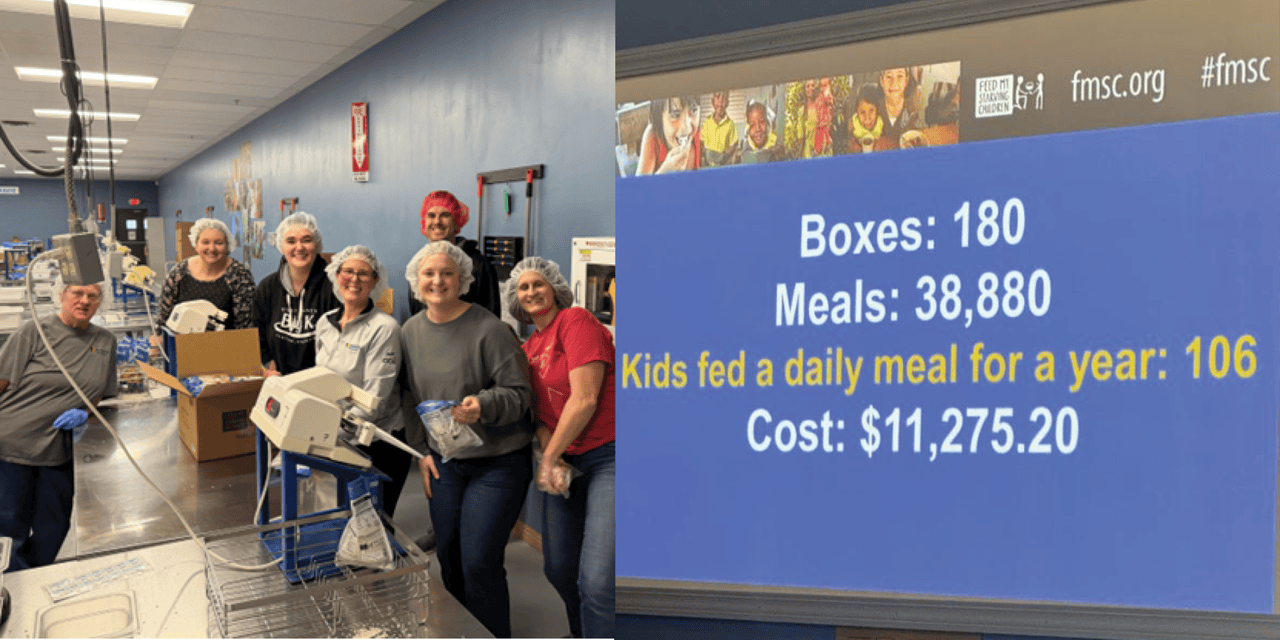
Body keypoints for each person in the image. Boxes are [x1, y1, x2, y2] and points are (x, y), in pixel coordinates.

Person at [401, 241, 534, 638]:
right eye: (428, 274)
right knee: (450, 559)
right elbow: (408, 396)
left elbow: (521, 395)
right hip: (445, 460)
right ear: (416, 281)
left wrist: (484, 405)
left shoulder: (490, 329)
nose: (437, 281)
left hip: (498, 462)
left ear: (463, 279)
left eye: (446, 273)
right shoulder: (410, 331)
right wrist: (422, 452)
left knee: (478, 561)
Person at [504, 257, 615, 639]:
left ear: (554, 288)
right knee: (559, 568)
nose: (531, 291)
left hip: (609, 456)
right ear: (514, 298)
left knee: (598, 581)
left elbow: (584, 399)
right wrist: (554, 455)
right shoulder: (529, 346)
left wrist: (549, 458)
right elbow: (542, 417)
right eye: (523, 287)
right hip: (567, 458)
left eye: (538, 284)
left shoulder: (576, 322)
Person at [0, 280, 116, 571]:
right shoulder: (34, 331)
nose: (84, 300)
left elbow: (101, 392)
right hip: (12, 446)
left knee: (54, 527)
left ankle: (32, 578)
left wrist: (85, 412)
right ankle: (13, 593)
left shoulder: (105, 341)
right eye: (77, 293)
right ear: (61, 295)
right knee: (9, 530)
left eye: (93, 295)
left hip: (58, 450)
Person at [314, 245, 411, 515]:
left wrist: (330, 433)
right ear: (336, 274)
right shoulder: (324, 323)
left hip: (376, 444)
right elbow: (320, 381)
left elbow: (374, 400)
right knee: (342, 521)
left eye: (363, 274)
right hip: (338, 437)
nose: (354, 279)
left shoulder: (384, 328)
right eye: (348, 271)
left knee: (372, 529)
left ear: (375, 281)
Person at [254, 212, 340, 377]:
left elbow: (341, 341)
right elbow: (257, 333)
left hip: (321, 382)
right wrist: (267, 363)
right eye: (291, 241)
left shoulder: (333, 287)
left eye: (307, 240)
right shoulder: (267, 287)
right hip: (277, 380)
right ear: (281, 246)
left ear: (317, 244)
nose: (299, 247)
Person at [153, 218, 256, 341]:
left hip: (227, 349)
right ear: (196, 245)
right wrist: (155, 348)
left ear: (227, 246)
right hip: (181, 348)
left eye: (219, 243)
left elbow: (245, 325)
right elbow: (163, 316)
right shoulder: (179, 272)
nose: (211, 248)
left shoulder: (239, 275)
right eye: (205, 242)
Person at [406, 190, 501, 318]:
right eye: (431, 215)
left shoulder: (478, 265)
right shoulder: (418, 264)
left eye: (445, 215)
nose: (437, 222)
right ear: (424, 221)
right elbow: (417, 313)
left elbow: (491, 319)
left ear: (456, 220)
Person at [635, 95, 701, 175]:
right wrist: (664, 173)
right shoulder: (653, 137)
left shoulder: (701, 135)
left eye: (693, 110)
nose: (687, 127)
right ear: (659, 119)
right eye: (675, 115)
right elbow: (640, 186)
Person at [879, 66, 925, 143]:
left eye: (899, 76)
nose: (894, 83)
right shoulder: (873, 110)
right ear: (882, 81)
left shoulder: (914, 111)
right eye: (889, 76)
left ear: (906, 81)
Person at [700, 90, 738, 167]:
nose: (720, 101)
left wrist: (724, 158)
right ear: (713, 102)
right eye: (718, 97)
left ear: (727, 103)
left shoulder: (730, 124)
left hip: (722, 164)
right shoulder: (707, 122)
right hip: (708, 164)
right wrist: (705, 156)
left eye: (723, 98)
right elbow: (701, 143)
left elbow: (733, 145)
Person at [849, 83, 885, 154]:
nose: (867, 118)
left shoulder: (883, 126)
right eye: (862, 112)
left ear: (877, 111)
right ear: (857, 113)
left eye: (871, 110)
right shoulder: (853, 128)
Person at [739, 99, 779, 164]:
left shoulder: (777, 145)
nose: (758, 128)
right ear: (748, 129)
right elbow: (749, 159)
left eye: (762, 122)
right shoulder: (745, 153)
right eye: (752, 125)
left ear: (768, 124)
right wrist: (770, 154)